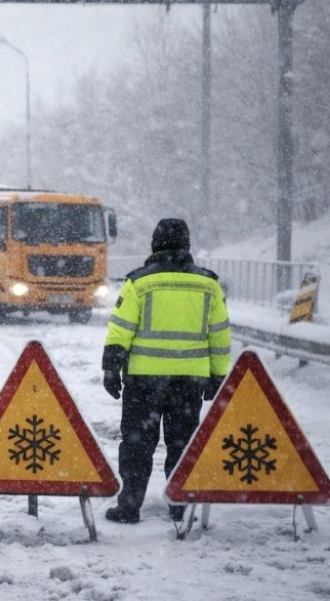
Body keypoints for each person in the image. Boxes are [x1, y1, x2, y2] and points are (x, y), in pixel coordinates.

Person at [101, 218, 231, 523]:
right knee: (182, 445)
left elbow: (120, 330)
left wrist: (111, 367)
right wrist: (217, 375)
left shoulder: (139, 283)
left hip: (144, 381)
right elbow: (220, 336)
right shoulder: (208, 284)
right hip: (188, 383)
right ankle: (180, 504)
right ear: (187, 245)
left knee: (136, 446)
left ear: (154, 245)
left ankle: (130, 506)